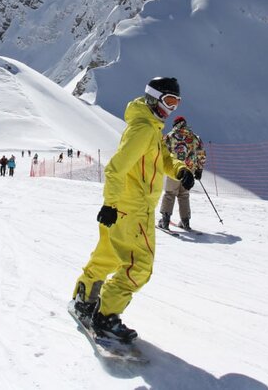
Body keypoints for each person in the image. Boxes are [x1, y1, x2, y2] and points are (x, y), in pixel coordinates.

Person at [71, 77, 193, 343]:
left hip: (124, 207)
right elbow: (115, 168)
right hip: (133, 209)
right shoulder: (144, 130)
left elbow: (161, 158)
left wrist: (179, 169)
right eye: (169, 101)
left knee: (109, 255)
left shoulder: (150, 126)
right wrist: (110, 205)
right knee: (139, 267)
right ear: (154, 98)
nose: (171, 109)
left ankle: (84, 297)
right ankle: (105, 316)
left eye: (176, 103)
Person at [158, 116, 207, 231]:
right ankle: (185, 221)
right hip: (189, 171)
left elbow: (162, 151)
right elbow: (201, 154)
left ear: (175, 124)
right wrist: (199, 169)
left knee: (170, 193)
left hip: (175, 170)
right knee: (184, 195)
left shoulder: (170, 136)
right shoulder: (195, 137)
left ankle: (165, 221)